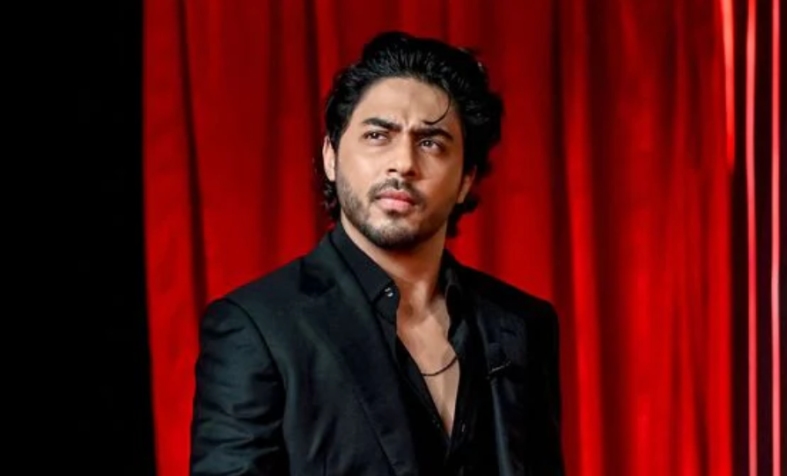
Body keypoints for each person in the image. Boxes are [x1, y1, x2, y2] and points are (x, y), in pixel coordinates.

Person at [190, 30, 564, 476]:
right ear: (331, 156)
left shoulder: (522, 324)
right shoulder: (256, 328)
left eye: (431, 142)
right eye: (377, 135)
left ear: (466, 179)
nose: (403, 162)